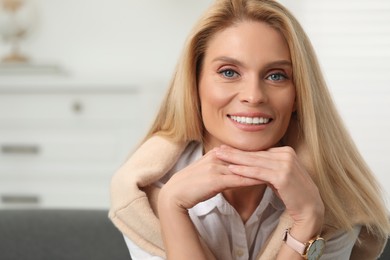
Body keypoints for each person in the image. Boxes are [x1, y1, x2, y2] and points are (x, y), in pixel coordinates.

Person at [109, 0, 390, 259]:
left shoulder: (334, 196)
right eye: (229, 72)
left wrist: (307, 222)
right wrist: (171, 207)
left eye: (276, 75)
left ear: (298, 95)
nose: (254, 96)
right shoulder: (144, 195)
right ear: (194, 85)